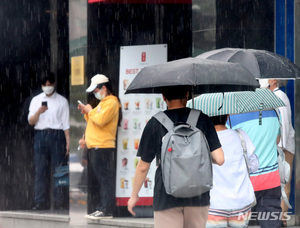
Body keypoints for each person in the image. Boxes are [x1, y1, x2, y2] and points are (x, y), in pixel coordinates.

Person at [127, 85, 224, 228]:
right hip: (198, 196)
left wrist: (134, 196)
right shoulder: (202, 119)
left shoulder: (155, 123)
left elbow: (143, 166)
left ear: (164, 97)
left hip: (166, 197)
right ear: (187, 95)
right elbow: (220, 159)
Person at [78, 74, 121, 219]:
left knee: (105, 179)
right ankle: (103, 208)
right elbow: (95, 121)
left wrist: (90, 110)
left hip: (103, 146)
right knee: (103, 179)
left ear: (104, 88)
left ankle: (106, 209)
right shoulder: (105, 103)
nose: (95, 93)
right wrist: (88, 112)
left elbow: (100, 120)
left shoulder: (112, 102)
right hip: (97, 146)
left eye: (96, 90)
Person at [229, 107, 282, 228]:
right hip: (270, 180)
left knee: (238, 223)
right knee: (271, 222)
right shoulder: (275, 112)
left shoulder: (232, 116)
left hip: (244, 181)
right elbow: (277, 140)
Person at [206, 115, 257, 228]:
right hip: (241, 203)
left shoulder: (204, 138)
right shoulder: (240, 135)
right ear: (227, 117)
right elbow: (254, 166)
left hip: (214, 205)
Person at [28, 72, 70, 210]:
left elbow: (66, 124)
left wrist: (68, 142)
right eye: (44, 84)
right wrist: (39, 112)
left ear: (54, 84)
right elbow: (31, 122)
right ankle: (40, 201)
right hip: (41, 134)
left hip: (57, 135)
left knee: (59, 170)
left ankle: (59, 201)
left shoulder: (62, 101)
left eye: (49, 84)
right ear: (41, 85)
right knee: (40, 169)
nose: (47, 87)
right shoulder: (36, 100)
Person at [268, 79, 295, 226]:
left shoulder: (280, 97)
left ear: (274, 81)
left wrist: (280, 147)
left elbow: (283, 125)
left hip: (283, 148)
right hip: (278, 147)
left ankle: (282, 219)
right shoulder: (270, 96)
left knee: (284, 182)